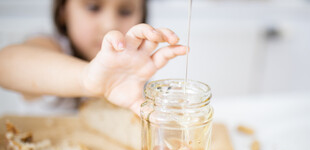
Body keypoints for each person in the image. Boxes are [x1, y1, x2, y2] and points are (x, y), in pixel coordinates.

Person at [0, 0, 187, 114]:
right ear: (63, 10)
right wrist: (86, 78)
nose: (109, 24)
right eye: (93, 7)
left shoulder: (134, 65)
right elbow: (5, 65)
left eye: (125, 11)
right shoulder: (52, 46)